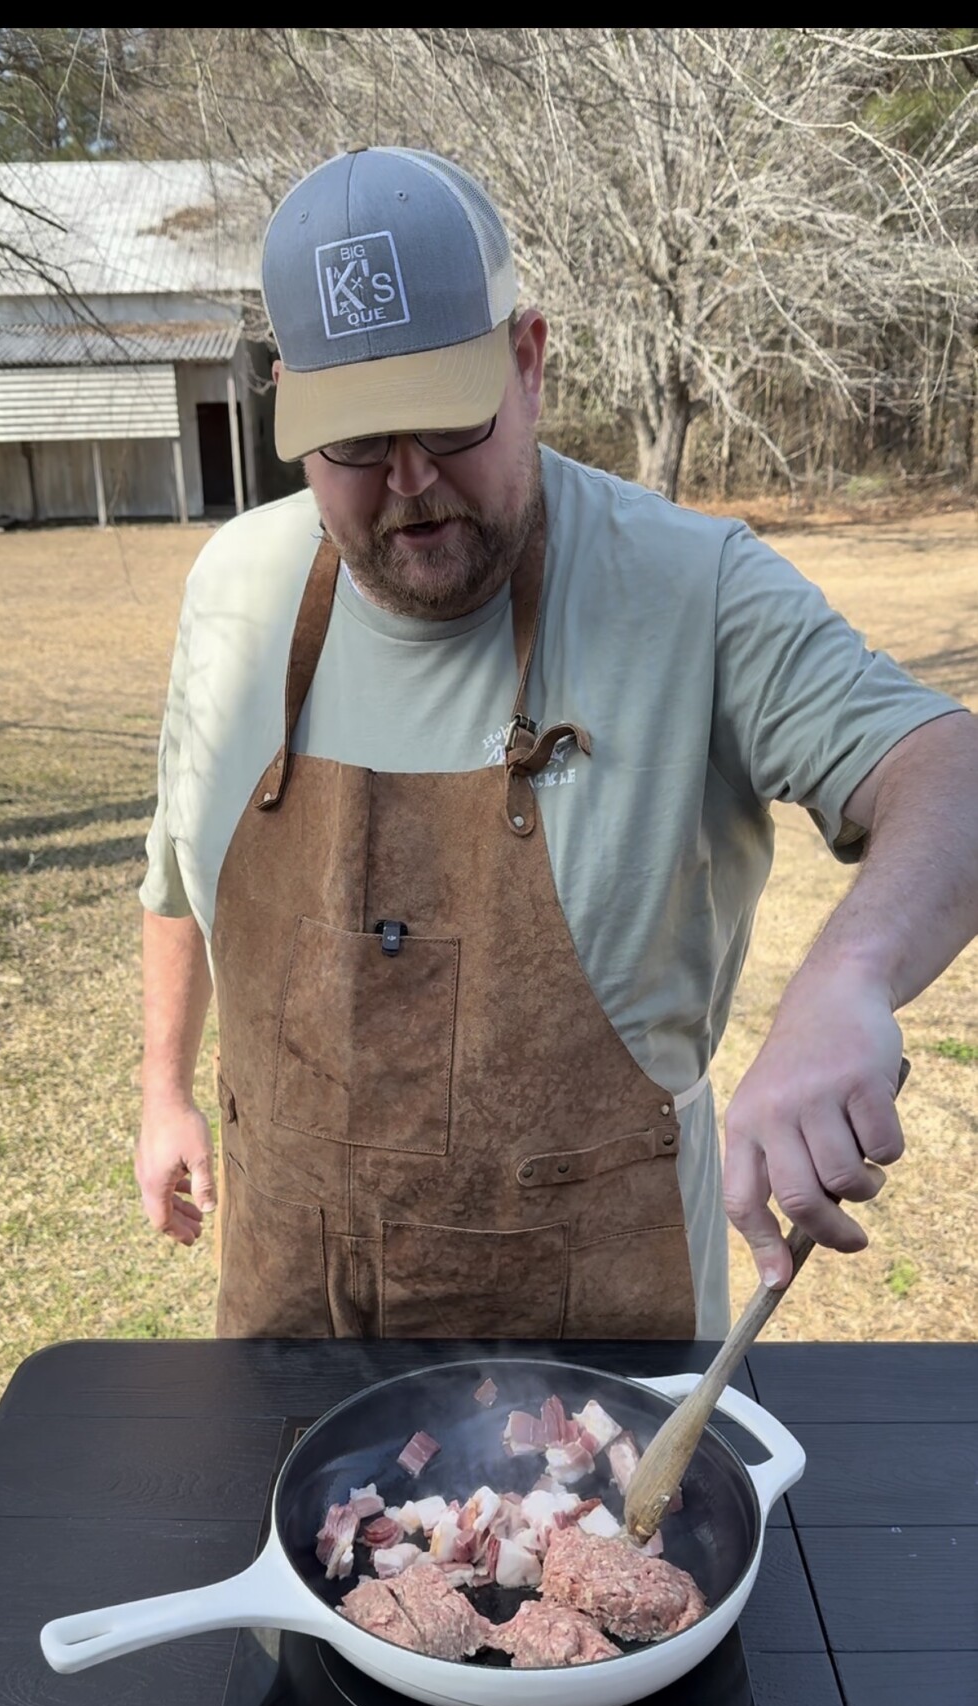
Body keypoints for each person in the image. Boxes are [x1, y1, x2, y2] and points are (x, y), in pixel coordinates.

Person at [135, 145, 977, 1342]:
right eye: (357, 444)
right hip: (291, 1327)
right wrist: (163, 1086)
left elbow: (949, 771)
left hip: (602, 1342)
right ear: (289, 408)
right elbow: (174, 865)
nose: (412, 482)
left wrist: (847, 979)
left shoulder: (695, 587)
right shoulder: (234, 589)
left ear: (528, 360)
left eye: (445, 419)